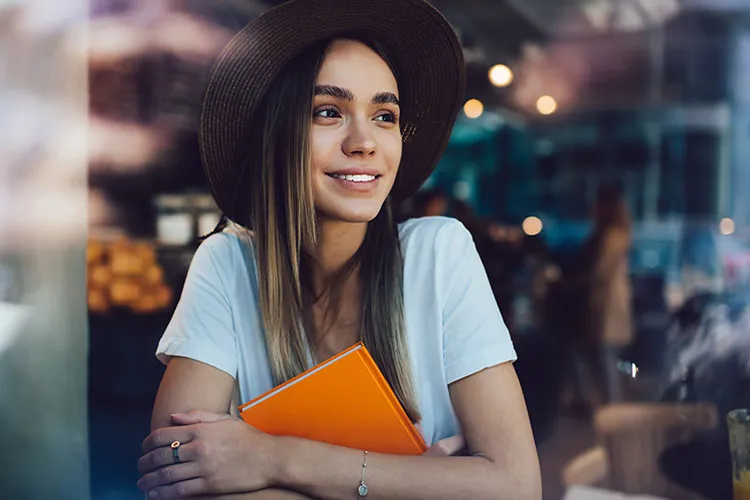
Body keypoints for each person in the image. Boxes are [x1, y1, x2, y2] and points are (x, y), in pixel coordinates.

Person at [136, 1, 541, 499]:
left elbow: (516, 487)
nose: (364, 142)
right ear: (277, 133)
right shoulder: (227, 264)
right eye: (329, 112)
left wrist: (273, 458)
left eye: (384, 115)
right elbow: (176, 478)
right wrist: (416, 482)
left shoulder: (437, 254)